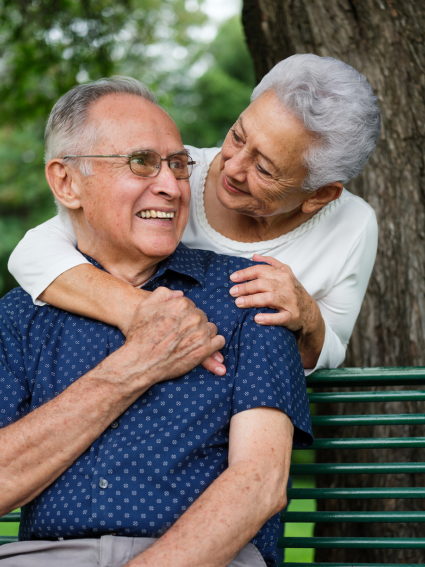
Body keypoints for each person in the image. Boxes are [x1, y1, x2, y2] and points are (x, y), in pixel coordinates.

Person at [0, 78, 313, 567]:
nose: (170, 185)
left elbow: (261, 484)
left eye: (179, 164)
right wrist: (136, 366)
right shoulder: (19, 317)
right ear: (66, 182)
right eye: (142, 162)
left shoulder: (249, 292)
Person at [8, 54, 380, 375]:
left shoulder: (352, 224)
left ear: (319, 195)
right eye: (237, 136)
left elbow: (329, 349)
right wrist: (143, 311)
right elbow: (33, 253)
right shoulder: (171, 173)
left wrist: (308, 317)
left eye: (264, 169)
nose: (232, 167)